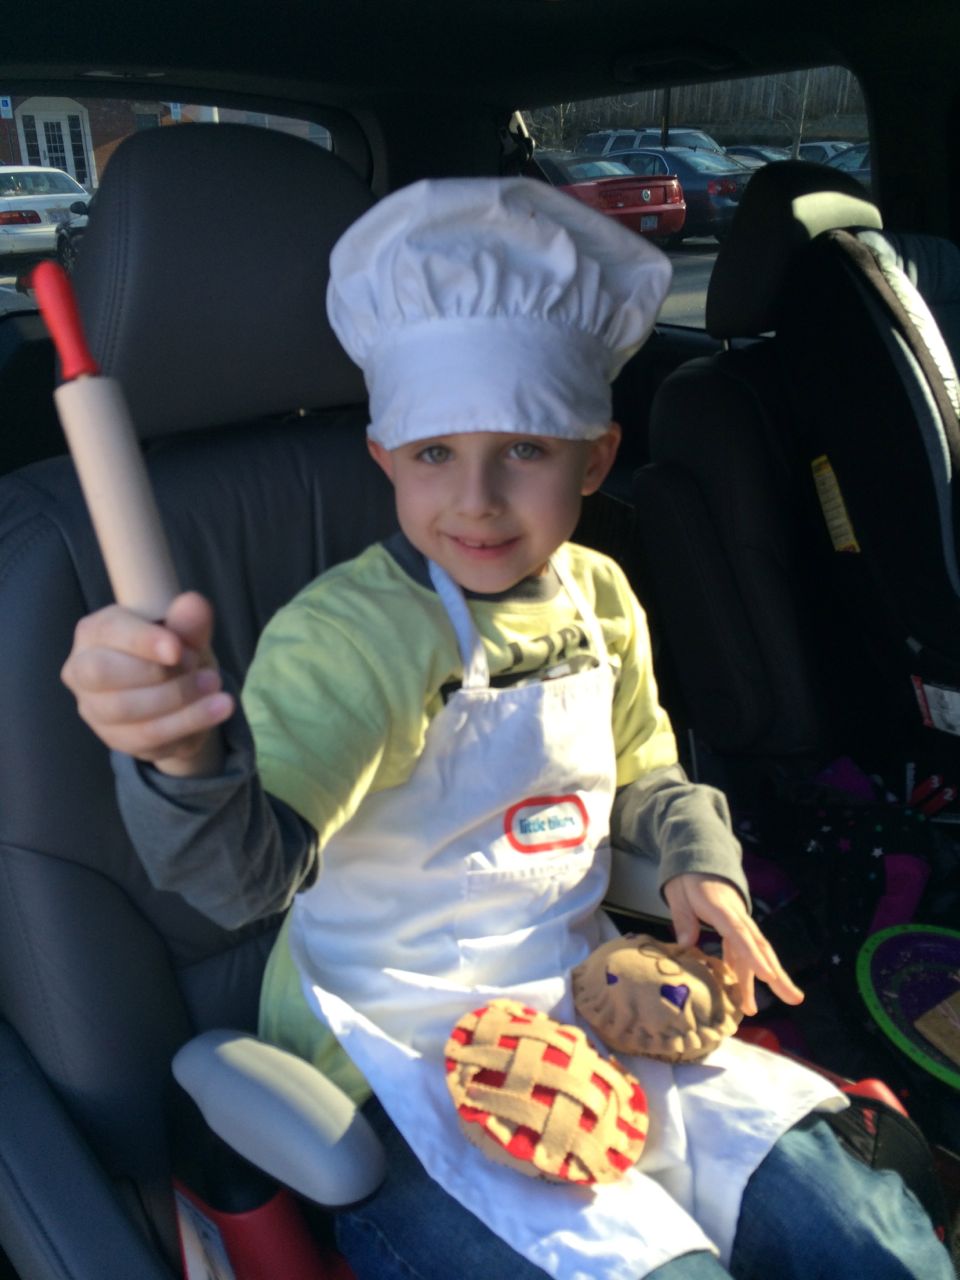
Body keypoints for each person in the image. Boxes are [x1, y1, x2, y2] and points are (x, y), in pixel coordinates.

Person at [61, 177, 953, 1280]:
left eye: (525, 449)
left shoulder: (599, 593)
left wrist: (698, 861)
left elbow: (645, 766)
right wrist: (179, 755)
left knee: (858, 1232)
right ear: (385, 457)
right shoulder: (349, 637)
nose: (477, 499)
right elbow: (245, 876)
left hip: (587, 995)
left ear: (597, 457)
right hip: (391, 1046)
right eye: (434, 454)